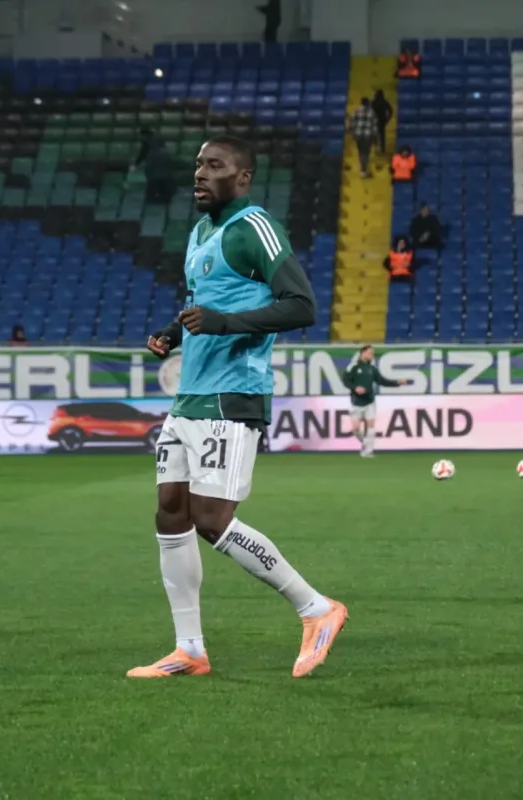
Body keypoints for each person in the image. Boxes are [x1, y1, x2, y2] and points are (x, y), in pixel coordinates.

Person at [131, 136, 347, 680]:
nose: (200, 174)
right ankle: (189, 649)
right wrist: (173, 331)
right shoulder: (201, 232)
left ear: (243, 176)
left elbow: (301, 305)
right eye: (198, 164)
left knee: (212, 519)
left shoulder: (254, 226)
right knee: (170, 513)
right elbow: (203, 303)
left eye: (214, 165)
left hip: (231, 396)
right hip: (190, 396)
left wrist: (225, 324)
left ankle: (316, 608)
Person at [342, 345, 410, 457]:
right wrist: (355, 388)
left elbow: (382, 381)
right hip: (357, 402)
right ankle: (365, 443)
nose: (372, 355)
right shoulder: (352, 366)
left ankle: (368, 451)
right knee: (356, 429)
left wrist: (397, 383)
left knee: (371, 426)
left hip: (370, 401)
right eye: (370, 353)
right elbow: (345, 381)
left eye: (373, 354)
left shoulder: (372, 369)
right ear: (363, 353)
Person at [348, 98, 378, 178]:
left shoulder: (356, 111)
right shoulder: (372, 112)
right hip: (368, 136)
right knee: (366, 153)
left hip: (358, 136)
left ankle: (363, 170)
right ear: (368, 103)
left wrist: (352, 133)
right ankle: (363, 171)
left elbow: (351, 122)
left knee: (361, 153)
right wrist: (375, 138)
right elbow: (374, 126)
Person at [372, 89, 394, 154]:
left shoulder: (374, 102)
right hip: (382, 120)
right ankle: (382, 149)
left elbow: (369, 111)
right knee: (382, 135)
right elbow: (391, 111)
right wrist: (388, 119)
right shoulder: (384, 102)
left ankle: (376, 148)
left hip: (375, 120)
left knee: (375, 135)